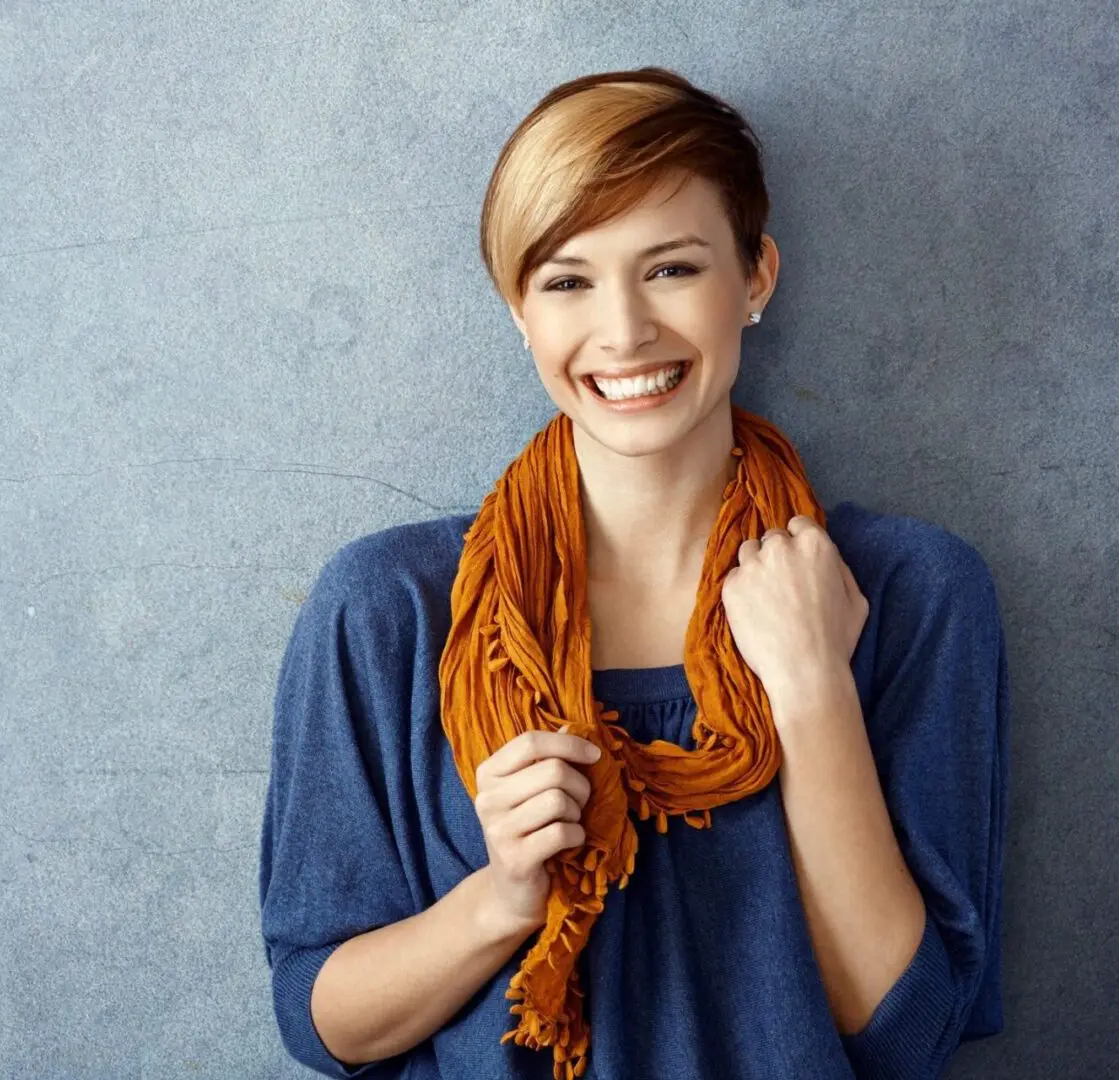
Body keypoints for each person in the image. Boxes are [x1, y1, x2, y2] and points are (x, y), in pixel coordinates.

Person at [258, 66, 1010, 1080]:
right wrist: (503, 900)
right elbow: (323, 1023)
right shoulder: (389, 610)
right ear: (519, 310)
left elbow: (906, 1030)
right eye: (567, 280)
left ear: (757, 278)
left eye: (672, 269)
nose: (623, 332)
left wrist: (815, 691)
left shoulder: (913, 592)